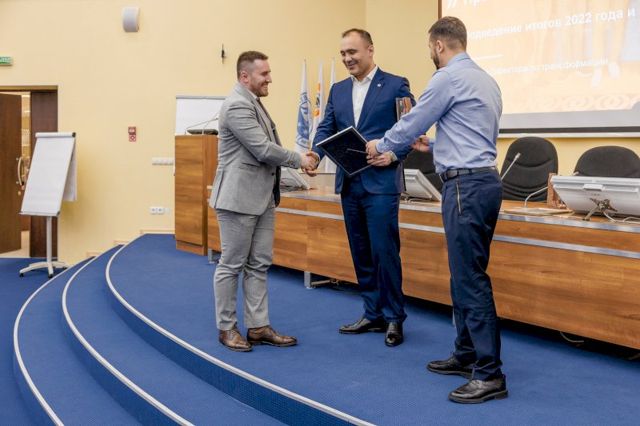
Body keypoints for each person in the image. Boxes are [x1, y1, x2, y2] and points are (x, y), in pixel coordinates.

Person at [365, 17, 507, 403]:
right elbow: (471, 133)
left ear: (439, 45)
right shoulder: (486, 80)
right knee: (464, 273)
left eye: (430, 47)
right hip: (485, 182)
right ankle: (466, 354)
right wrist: (435, 146)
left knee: (470, 278)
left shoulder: (447, 77)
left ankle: (489, 374)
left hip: (464, 188)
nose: (431, 53)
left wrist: (381, 144)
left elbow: (413, 121)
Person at [308, 29, 415, 347]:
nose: (347, 58)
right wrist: (314, 154)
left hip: (381, 184)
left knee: (384, 252)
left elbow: (411, 127)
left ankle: (394, 317)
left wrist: (393, 154)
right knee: (361, 252)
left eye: (352, 52)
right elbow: (326, 128)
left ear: (370, 50)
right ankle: (373, 313)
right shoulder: (338, 90)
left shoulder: (396, 85)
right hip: (349, 183)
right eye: (343, 53)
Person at [210, 51, 318, 352]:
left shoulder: (253, 102)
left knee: (259, 264)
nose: (270, 78)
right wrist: (300, 159)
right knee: (231, 265)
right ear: (245, 76)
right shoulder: (237, 104)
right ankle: (227, 328)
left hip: (262, 198)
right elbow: (262, 149)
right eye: (264, 74)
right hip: (237, 199)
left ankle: (258, 326)